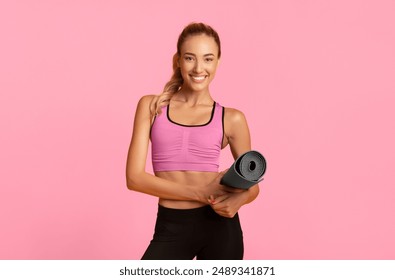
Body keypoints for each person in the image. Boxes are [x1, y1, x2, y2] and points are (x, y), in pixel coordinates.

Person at [126, 22, 260, 260]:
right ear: (178, 60)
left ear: (218, 62)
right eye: (190, 58)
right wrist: (199, 193)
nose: (199, 68)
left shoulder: (232, 118)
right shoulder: (151, 107)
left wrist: (238, 199)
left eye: (208, 59)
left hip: (221, 228)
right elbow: (134, 179)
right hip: (171, 226)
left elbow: (253, 186)